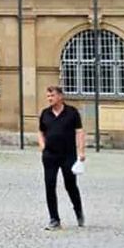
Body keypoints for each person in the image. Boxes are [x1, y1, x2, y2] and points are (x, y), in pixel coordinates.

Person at [38, 84, 86, 230]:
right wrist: (42, 146)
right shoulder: (45, 113)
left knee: (70, 185)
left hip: (68, 154)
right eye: (48, 96)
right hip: (50, 155)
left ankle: (78, 211)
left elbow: (79, 132)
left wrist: (81, 151)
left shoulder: (72, 112)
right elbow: (40, 131)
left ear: (60, 96)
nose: (49, 99)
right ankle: (54, 218)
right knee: (49, 185)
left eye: (52, 96)